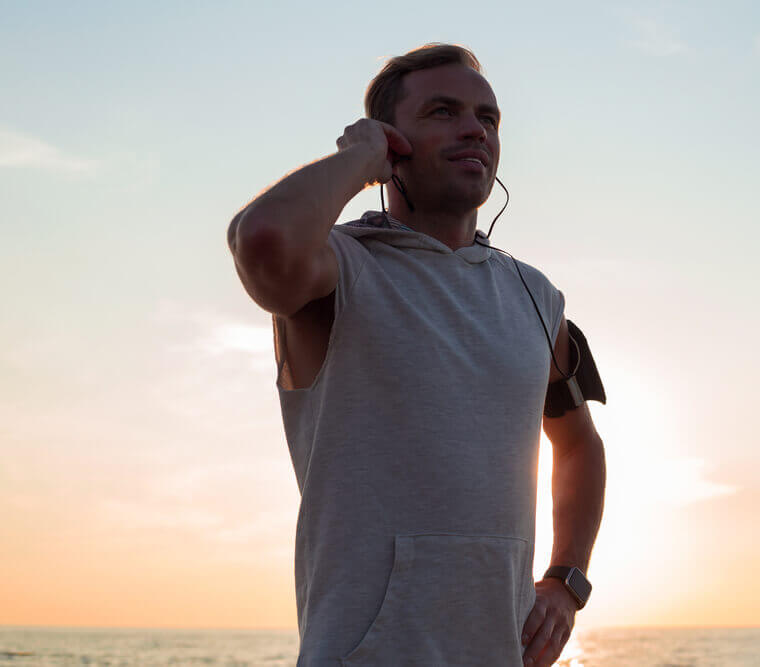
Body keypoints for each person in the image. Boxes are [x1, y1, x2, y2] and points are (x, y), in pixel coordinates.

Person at [226, 43, 606, 666]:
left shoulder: (537, 298)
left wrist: (567, 581)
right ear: (390, 141)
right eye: (443, 111)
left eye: (488, 117)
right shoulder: (339, 269)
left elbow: (580, 444)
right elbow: (263, 239)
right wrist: (357, 159)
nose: (474, 129)